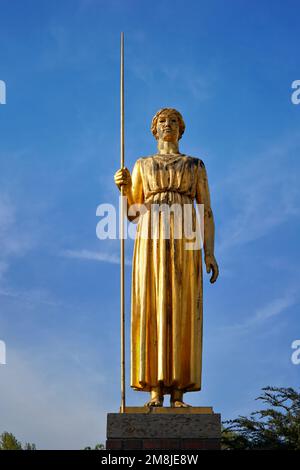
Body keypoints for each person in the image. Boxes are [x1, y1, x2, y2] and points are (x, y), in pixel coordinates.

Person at [114, 108, 219, 407]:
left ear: (181, 129)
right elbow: (133, 213)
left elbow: (206, 210)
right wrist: (122, 190)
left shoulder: (195, 165)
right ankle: (154, 391)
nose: (168, 125)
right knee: (154, 304)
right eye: (162, 121)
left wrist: (209, 251)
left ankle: (178, 393)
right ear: (155, 129)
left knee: (182, 306)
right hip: (151, 237)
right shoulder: (142, 165)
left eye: (174, 121)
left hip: (186, 237)